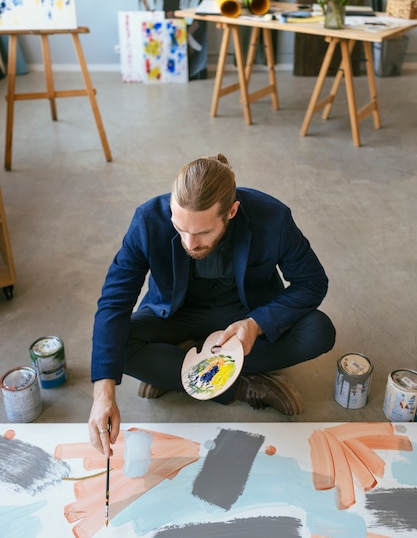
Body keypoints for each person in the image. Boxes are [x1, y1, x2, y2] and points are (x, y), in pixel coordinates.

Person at [89, 154, 335, 454]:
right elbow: (114, 301)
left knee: (319, 331)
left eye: (203, 232)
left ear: (231, 211)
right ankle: (240, 385)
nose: (189, 243)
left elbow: (312, 282)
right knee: (116, 347)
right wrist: (102, 394)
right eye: (180, 229)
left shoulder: (273, 218)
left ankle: (177, 369)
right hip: (176, 315)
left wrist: (256, 324)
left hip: (244, 315)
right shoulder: (147, 219)